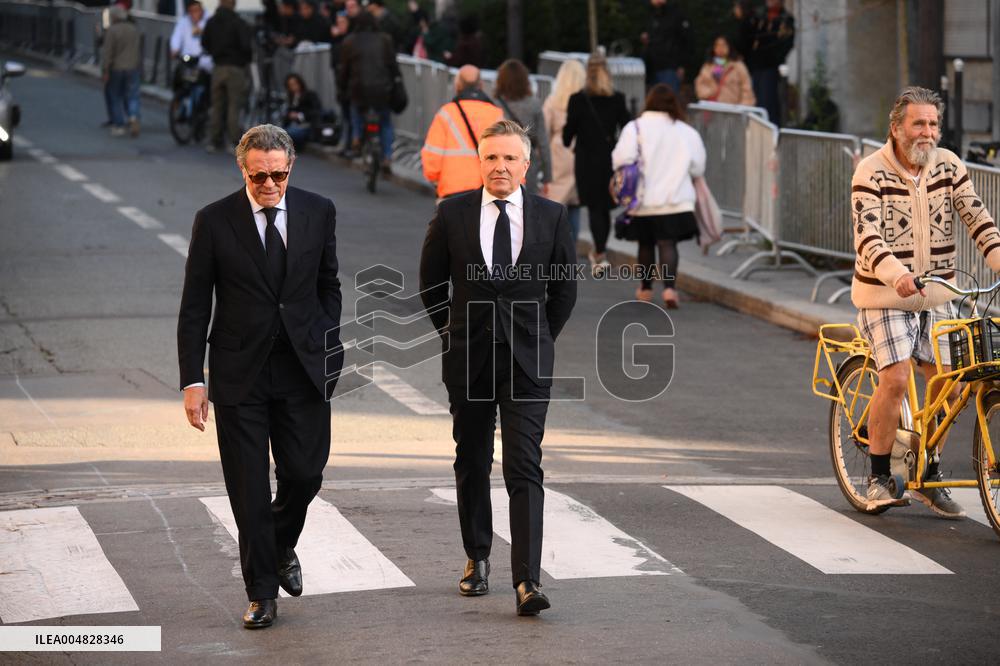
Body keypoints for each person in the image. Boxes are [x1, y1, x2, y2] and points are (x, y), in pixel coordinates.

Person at [177, 124, 344, 629]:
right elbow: (195, 305)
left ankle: (278, 543)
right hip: (239, 373)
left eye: (278, 175)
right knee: (248, 487)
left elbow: (329, 283)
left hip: (303, 368)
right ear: (243, 170)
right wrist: (193, 380)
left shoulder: (319, 210)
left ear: (290, 168)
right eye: (259, 177)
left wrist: (326, 336)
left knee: (305, 473)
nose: (270, 184)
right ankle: (261, 593)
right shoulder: (214, 221)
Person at [419, 119, 577, 617]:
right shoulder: (452, 213)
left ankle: (527, 579)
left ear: (526, 166)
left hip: (527, 360)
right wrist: (455, 333)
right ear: (479, 162)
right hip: (468, 358)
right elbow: (431, 286)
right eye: (491, 157)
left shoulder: (552, 216)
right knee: (472, 458)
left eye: (510, 158)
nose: (500, 166)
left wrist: (537, 336)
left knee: (524, 463)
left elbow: (564, 290)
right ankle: (477, 556)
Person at [851, 87, 1000, 515]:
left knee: (952, 387)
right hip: (885, 295)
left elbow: (977, 218)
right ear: (896, 127)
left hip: (937, 295)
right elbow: (867, 235)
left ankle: (927, 471)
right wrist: (895, 275)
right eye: (919, 123)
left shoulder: (949, 166)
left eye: (933, 124)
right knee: (897, 378)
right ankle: (879, 476)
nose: (928, 132)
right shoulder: (870, 171)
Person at [612, 84, 705, 308]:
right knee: (668, 243)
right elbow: (698, 168)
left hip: (643, 199)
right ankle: (670, 289)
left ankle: (645, 289)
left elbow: (620, 160)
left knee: (646, 244)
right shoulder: (686, 132)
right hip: (676, 199)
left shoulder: (634, 128)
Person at [563, 53, 630, 276]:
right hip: (610, 159)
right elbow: (628, 127)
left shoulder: (577, 100)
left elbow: (567, 136)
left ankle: (600, 252)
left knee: (594, 207)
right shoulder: (618, 98)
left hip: (585, 160)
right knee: (605, 207)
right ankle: (601, 250)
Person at [420, 65, 503, 201]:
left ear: (457, 85)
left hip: (452, 191)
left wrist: (435, 179)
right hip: (488, 193)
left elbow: (433, 155)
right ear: (481, 85)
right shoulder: (496, 115)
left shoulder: (446, 113)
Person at [338, 11, 397, 165]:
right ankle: (387, 156)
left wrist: (342, 87)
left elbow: (344, 70)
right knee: (385, 122)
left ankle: (356, 137)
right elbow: (393, 66)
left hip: (358, 89)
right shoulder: (385, 39)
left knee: (356, 111)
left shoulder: (350, 41)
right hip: (382, 90)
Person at [494, 59, 551, 197]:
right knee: (526, 205)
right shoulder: (534, 104)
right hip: (527, 165)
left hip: (500, 164)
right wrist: (547, 177)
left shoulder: (494, 105)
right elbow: (543, 143)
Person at [202, 0, 253, 152]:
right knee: (234, 105)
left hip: (218, 67)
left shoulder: (211, 22)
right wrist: (244, 60)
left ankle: (214, 140)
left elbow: (204, 43)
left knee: (217, 105)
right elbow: (246, 46)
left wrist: (215, 53)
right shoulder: (239, 23)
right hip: (236, 68)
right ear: (233, 4)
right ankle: (233, 140)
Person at [543, 59, 585, 241]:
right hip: (580, 152)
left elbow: (544, 130)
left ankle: (554, 247)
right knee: (575, 205)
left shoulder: (553, 101)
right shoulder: (585, 101)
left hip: (558, 154)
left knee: (555, 205)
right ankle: (571, 248)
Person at [740, 0, 794, 124]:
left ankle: (771, 127)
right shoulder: (758, 17)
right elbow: (747, 38)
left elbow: (786, 43)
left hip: (771, 67)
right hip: (754, 66)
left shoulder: (785, 19)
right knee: (753, 98)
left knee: (768, 100)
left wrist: (774, 58)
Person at [101, 4, 141, 138]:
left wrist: (105, 70)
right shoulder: (133, 29)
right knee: (133, 95)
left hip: (117, 68)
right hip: (132, 67)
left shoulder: (112, 31)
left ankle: (119, 125)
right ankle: (133, 116)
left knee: (116, 96)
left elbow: (108, 53)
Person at [641, 0, 690, 93]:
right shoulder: (651, 14)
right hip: (651, 67)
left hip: (670, 68)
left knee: (667, 97)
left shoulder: (676, 14)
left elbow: (686, 41)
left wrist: (682, 65)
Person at [694, 35, 754, 106]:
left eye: (724, 45)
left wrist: (743, 106)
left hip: (732, 108)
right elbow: (700, 84)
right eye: (717, 45)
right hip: (712, 107)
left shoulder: (738, 65)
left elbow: (746, 87)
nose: (720, 48)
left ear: (729, 47)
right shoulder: (708, 66)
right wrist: (710, 93)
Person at [282, 73, 322, 150]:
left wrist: (299, 115)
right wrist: (289, 115)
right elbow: (287, 115)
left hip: (306, 125)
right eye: (290, 85)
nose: (293, 87)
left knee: (289, 134)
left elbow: (316, 111)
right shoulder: (291, 97)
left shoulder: (310, 95)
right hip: (293, 125)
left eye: (295, 84)